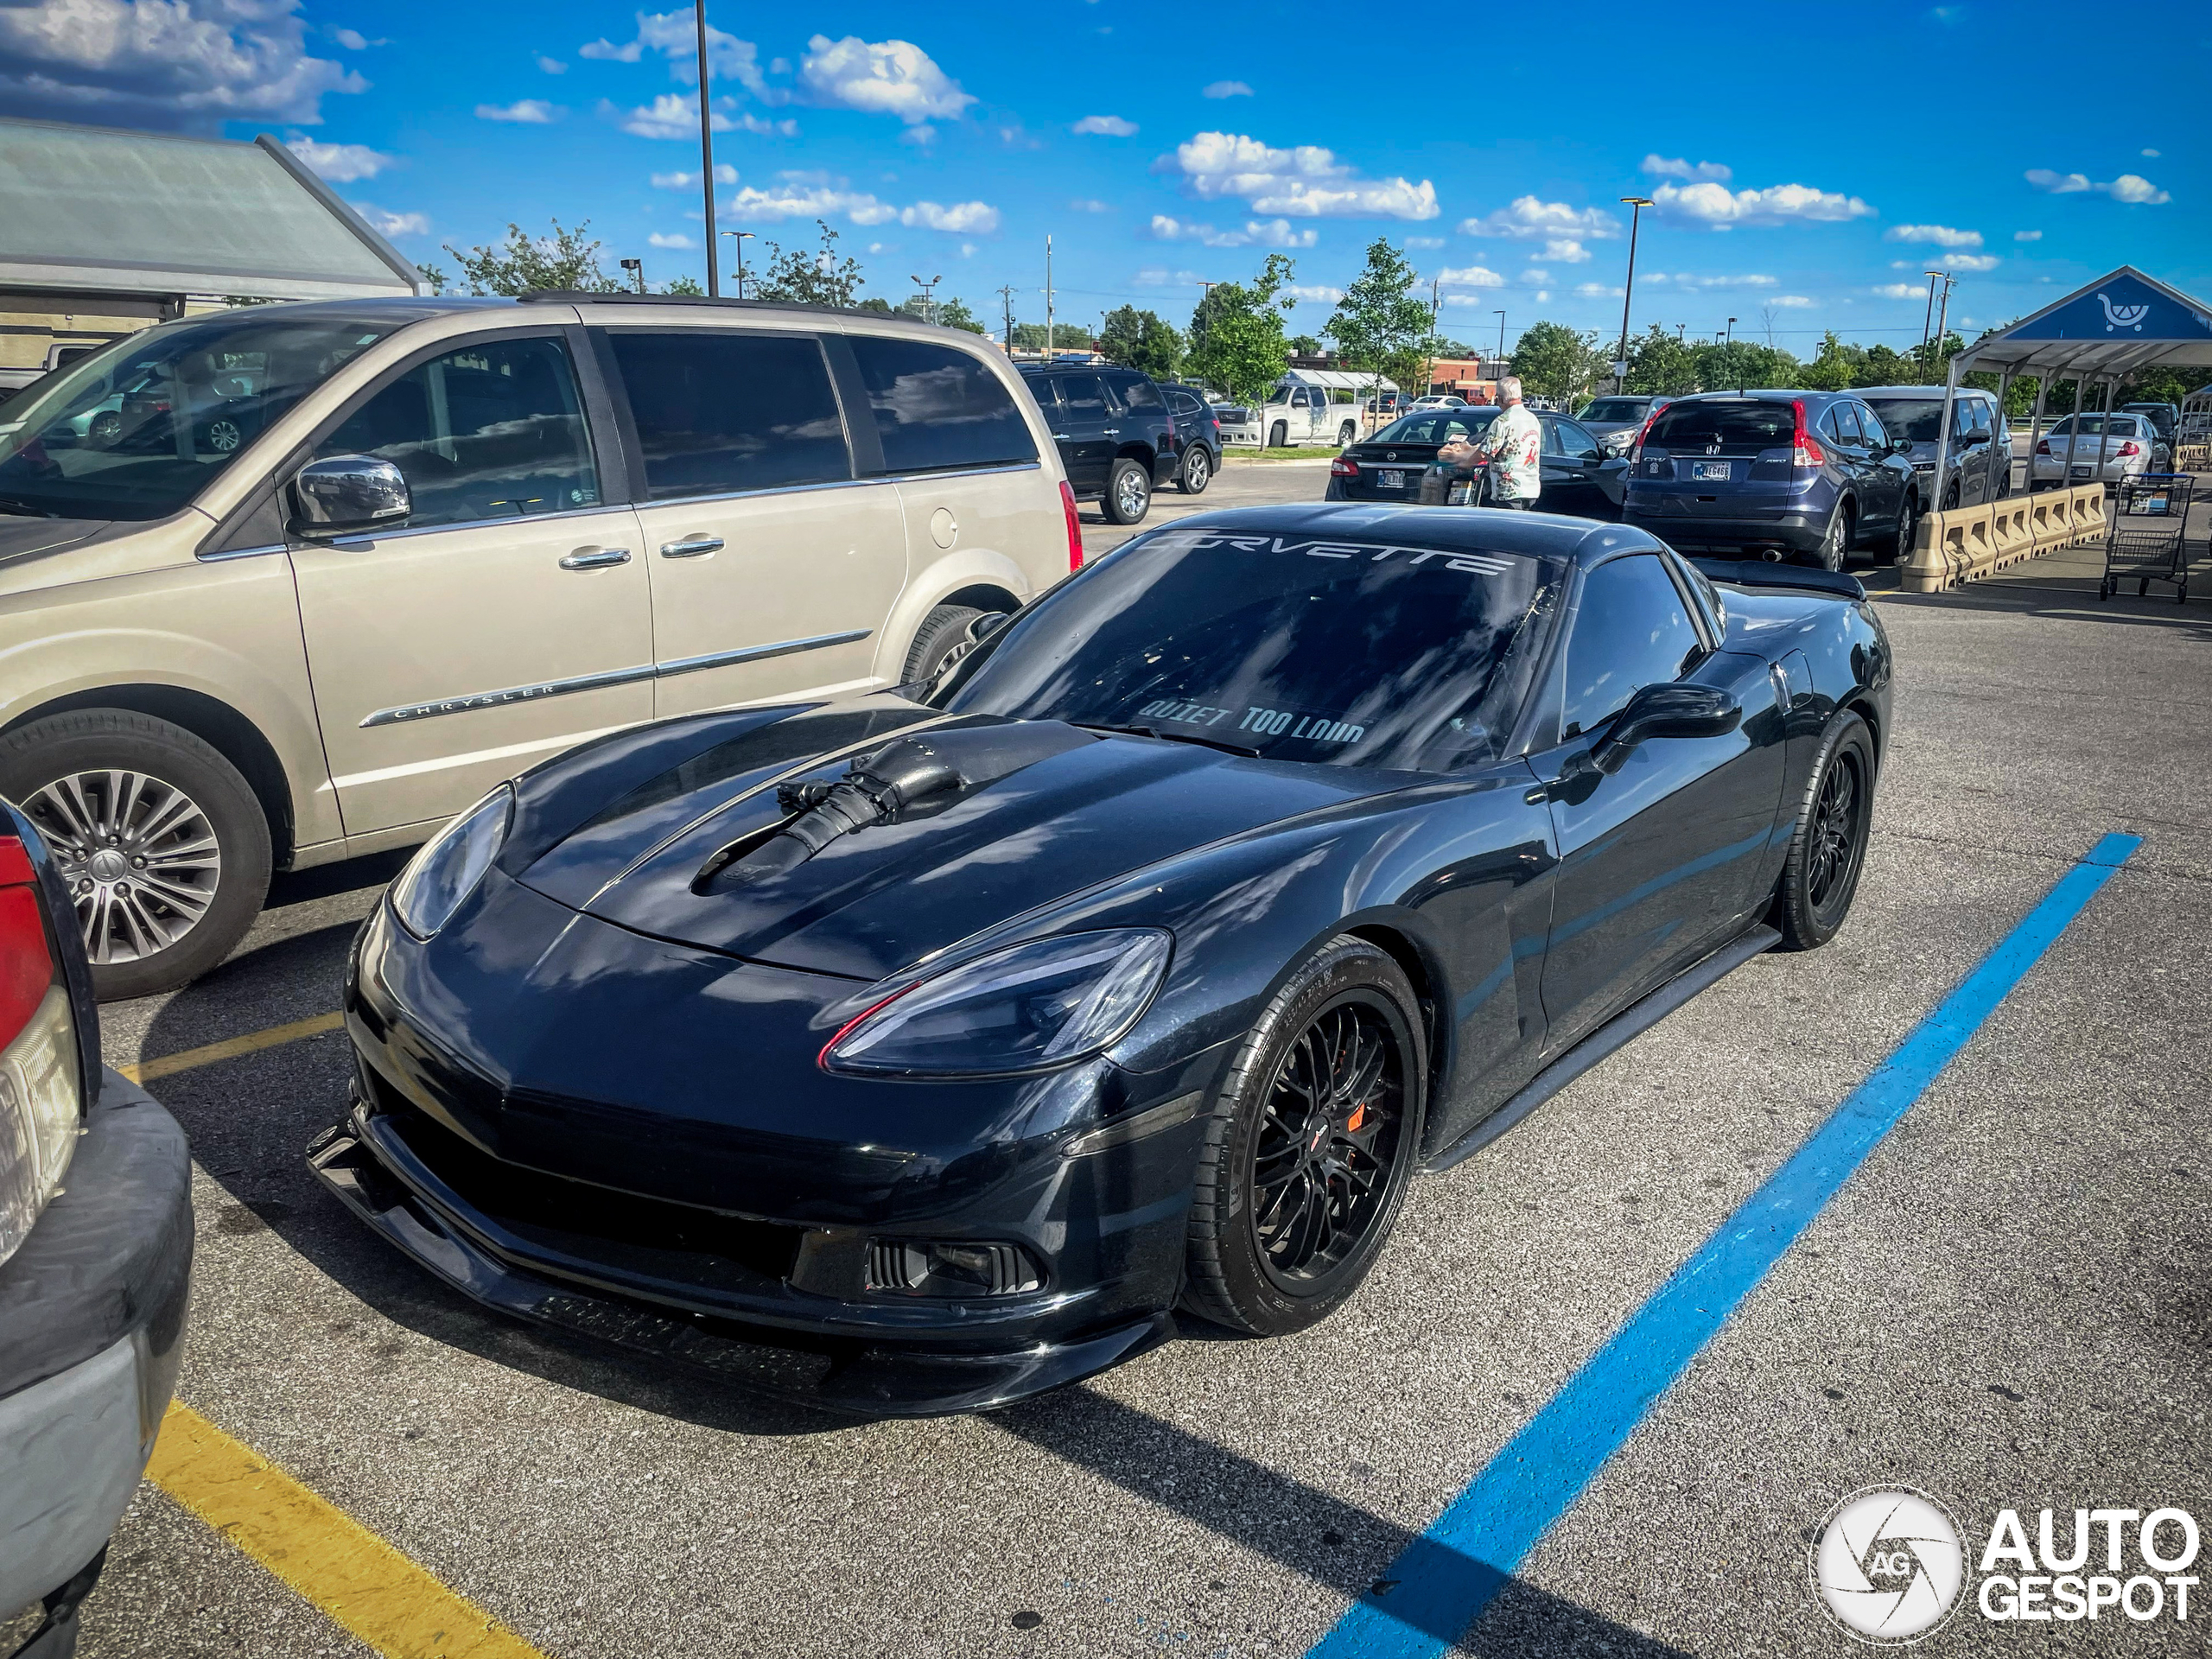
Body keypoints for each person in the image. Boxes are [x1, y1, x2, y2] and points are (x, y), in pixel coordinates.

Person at [1440, 374, 1541, 509]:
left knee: (1507, 528)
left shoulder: (1502, 421)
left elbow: (1485, 453)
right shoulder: (1533, 420)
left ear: (1500, 398)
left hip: (1509, 491)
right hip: (1531, 489)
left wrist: (1465, 464)